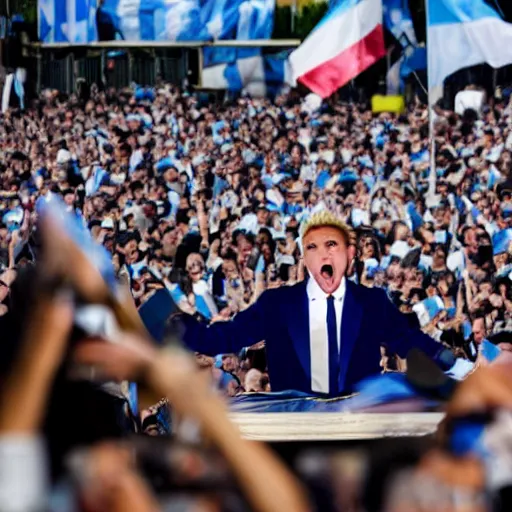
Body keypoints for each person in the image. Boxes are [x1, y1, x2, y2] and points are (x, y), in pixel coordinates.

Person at [181, 210, 458, 397]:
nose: (323, 256)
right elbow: (224, 336)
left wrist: (460, 367)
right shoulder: (277, 304)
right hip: (297, 438)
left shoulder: (371, 303)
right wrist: (168, 325)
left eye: (331, 246)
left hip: (355, 435)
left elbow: (410, 341)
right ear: (304, 257)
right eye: (313, 248)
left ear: (349, 255)